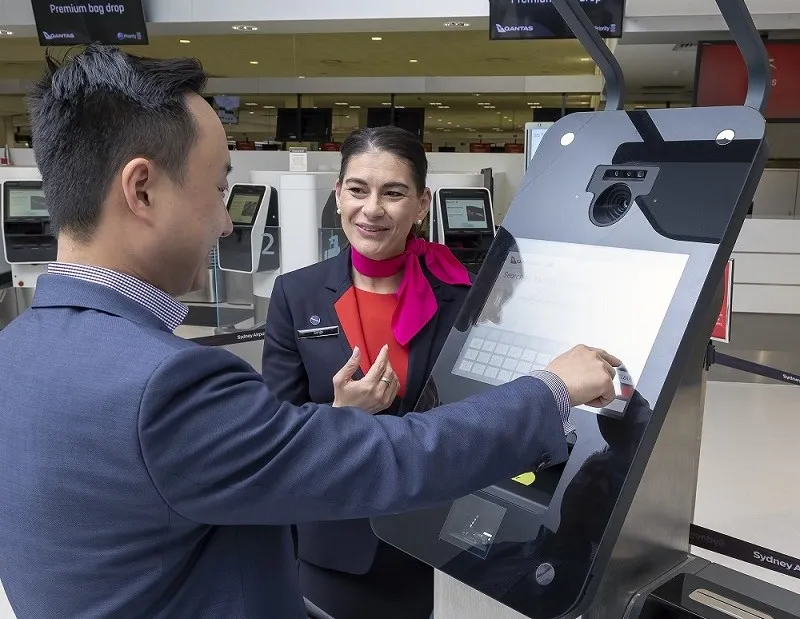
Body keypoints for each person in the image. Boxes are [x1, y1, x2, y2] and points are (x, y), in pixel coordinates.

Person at [0, 44, 619, 619]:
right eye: (218, 189)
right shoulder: (165, 384)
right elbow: (386, 456)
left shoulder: (17, 349)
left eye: (394, 192)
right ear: (142, 190)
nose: (223, 221)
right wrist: (551, 389)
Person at [262, 125, 478, 618]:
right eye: (358, 190)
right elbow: (274, 428)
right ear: (338, 195)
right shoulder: (297, 294)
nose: (372, 209)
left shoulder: (458, 296)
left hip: (420, 532)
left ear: (422, 204)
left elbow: (473, 409)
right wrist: (341, 412)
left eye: (394, 193)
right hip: (331, 533)